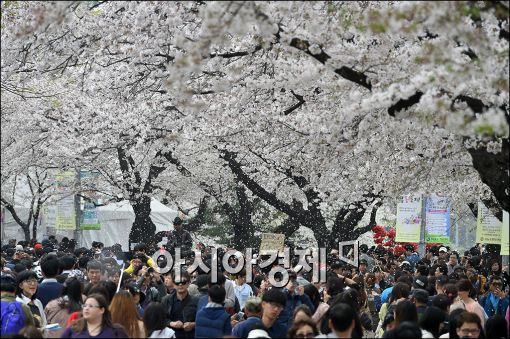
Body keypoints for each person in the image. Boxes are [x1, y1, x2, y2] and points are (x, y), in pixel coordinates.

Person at [60, 293, 128, 338]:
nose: (86, 308)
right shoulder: (74, 327)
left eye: (91, 306)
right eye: (85, 306)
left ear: (102, 310)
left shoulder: (115, 331)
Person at [161, 270, 198, 338]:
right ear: (173, 284)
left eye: (183, 282)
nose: (180, 285)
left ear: (188, 283)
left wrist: (193, 324)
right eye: (177, 282)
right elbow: (161, 319)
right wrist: (171, 323)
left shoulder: (196, 301)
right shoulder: (166, 300)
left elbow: (202, 320)